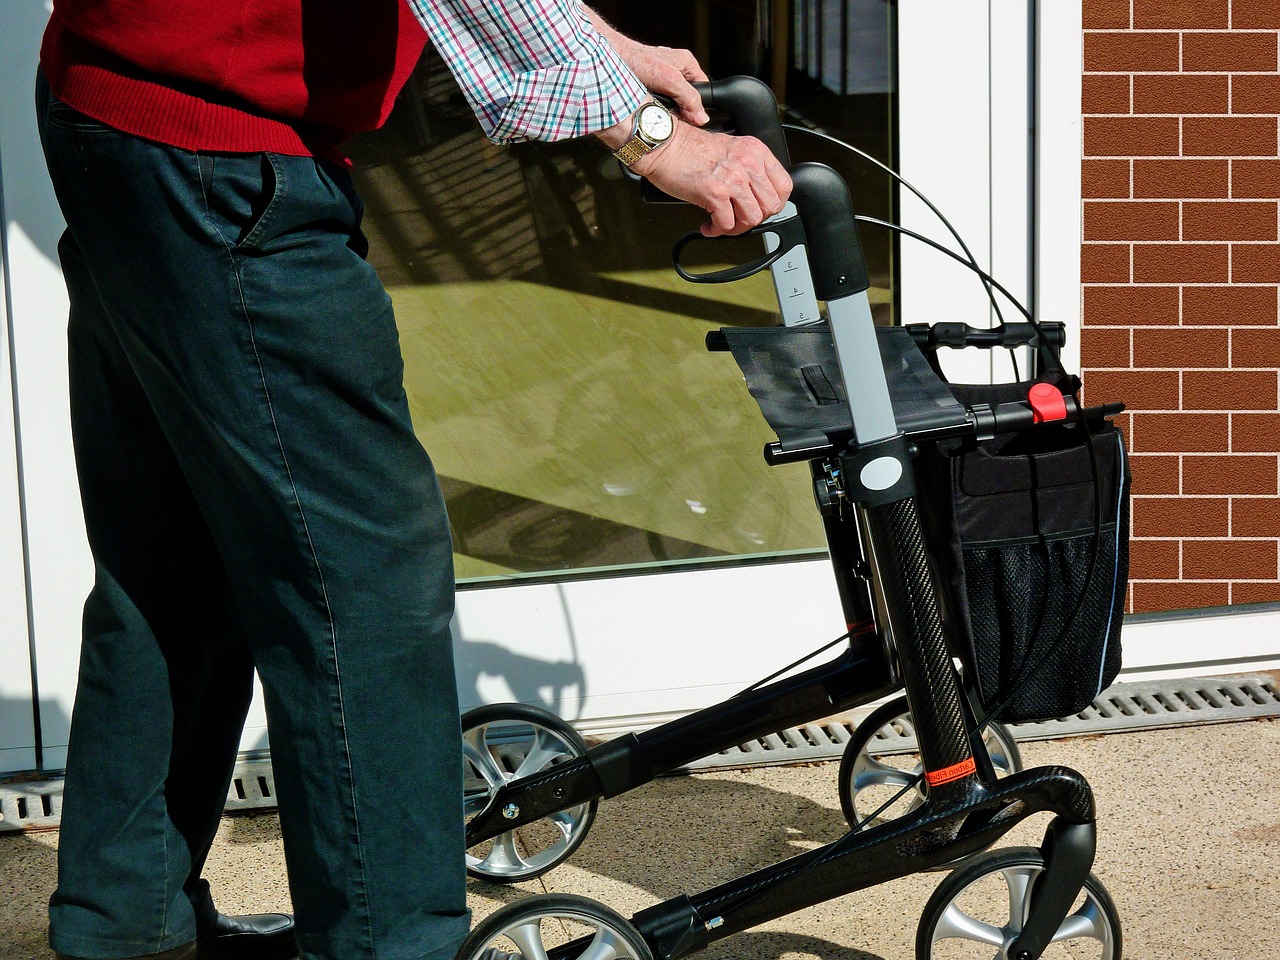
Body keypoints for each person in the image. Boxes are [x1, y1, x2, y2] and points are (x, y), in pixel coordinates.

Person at [35, 2, 792, 960]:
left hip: (116, 110)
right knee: (363, 580)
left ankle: (125, 923)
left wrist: (607, 47)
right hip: (216, 158)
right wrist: (650, 139)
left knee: (174, 554)